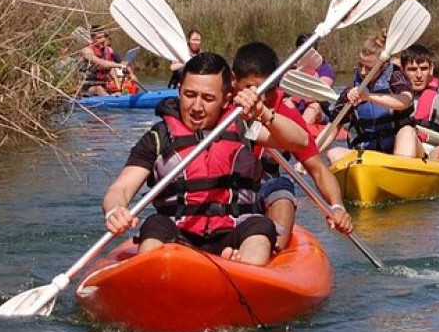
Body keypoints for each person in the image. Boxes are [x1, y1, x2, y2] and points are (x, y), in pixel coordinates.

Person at [101, 52, 306, 265]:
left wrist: (263, 113)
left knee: (260, 228)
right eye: (190, 95)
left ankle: (245, 271)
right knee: (153, 226)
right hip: (178, 233)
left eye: (208, 98)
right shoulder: (159, 137)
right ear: (179, 90)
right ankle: (154, 275)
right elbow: (121, 189)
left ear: (226, 99)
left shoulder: (244, 127)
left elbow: (300, 141)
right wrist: (115, 210)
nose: (197, 107)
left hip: (235, 230)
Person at [232, 42, 353, 251]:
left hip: (262, 187)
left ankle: (272, 250)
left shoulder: (284, 112)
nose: (259, 98)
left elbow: (318, 170)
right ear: (234, 80)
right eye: (250, 88)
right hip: (223, 186)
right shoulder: (220, 100)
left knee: (282, 191)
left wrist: (337, 206)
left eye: (267, 90)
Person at [326, 29, 419, 163]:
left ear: (383, 66)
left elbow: (405, 101)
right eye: (360, 65)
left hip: (399, 150)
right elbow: (331, 128)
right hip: (370, 154)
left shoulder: (395, 77)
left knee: (407, 132)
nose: (363, 72)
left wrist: (368, 97)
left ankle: (399, 178)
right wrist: (309, 158)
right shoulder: (351, 91)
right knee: (333, 153)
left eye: (369, 68)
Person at [292, 32, 336, 127]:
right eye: (300, 52)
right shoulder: (290, 69)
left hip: (319, 113)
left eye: (307, 52)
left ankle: (298, 133)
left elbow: (318, 93)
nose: (304, 55)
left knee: (314, 106)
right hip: (296, 110)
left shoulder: (325, 70)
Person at [78, 27, 124, 97]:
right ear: (92, 39)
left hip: (103, 86)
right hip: (86, 88)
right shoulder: (87, 51)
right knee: (98, 88)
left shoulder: (108, 50)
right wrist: (120, 65)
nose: (103, 40)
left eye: (104, 37)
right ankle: (110, 99)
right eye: (99, 38)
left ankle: (112, 97)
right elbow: (102, 63)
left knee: (109, 90)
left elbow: (111, 70)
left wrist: (119, 89)